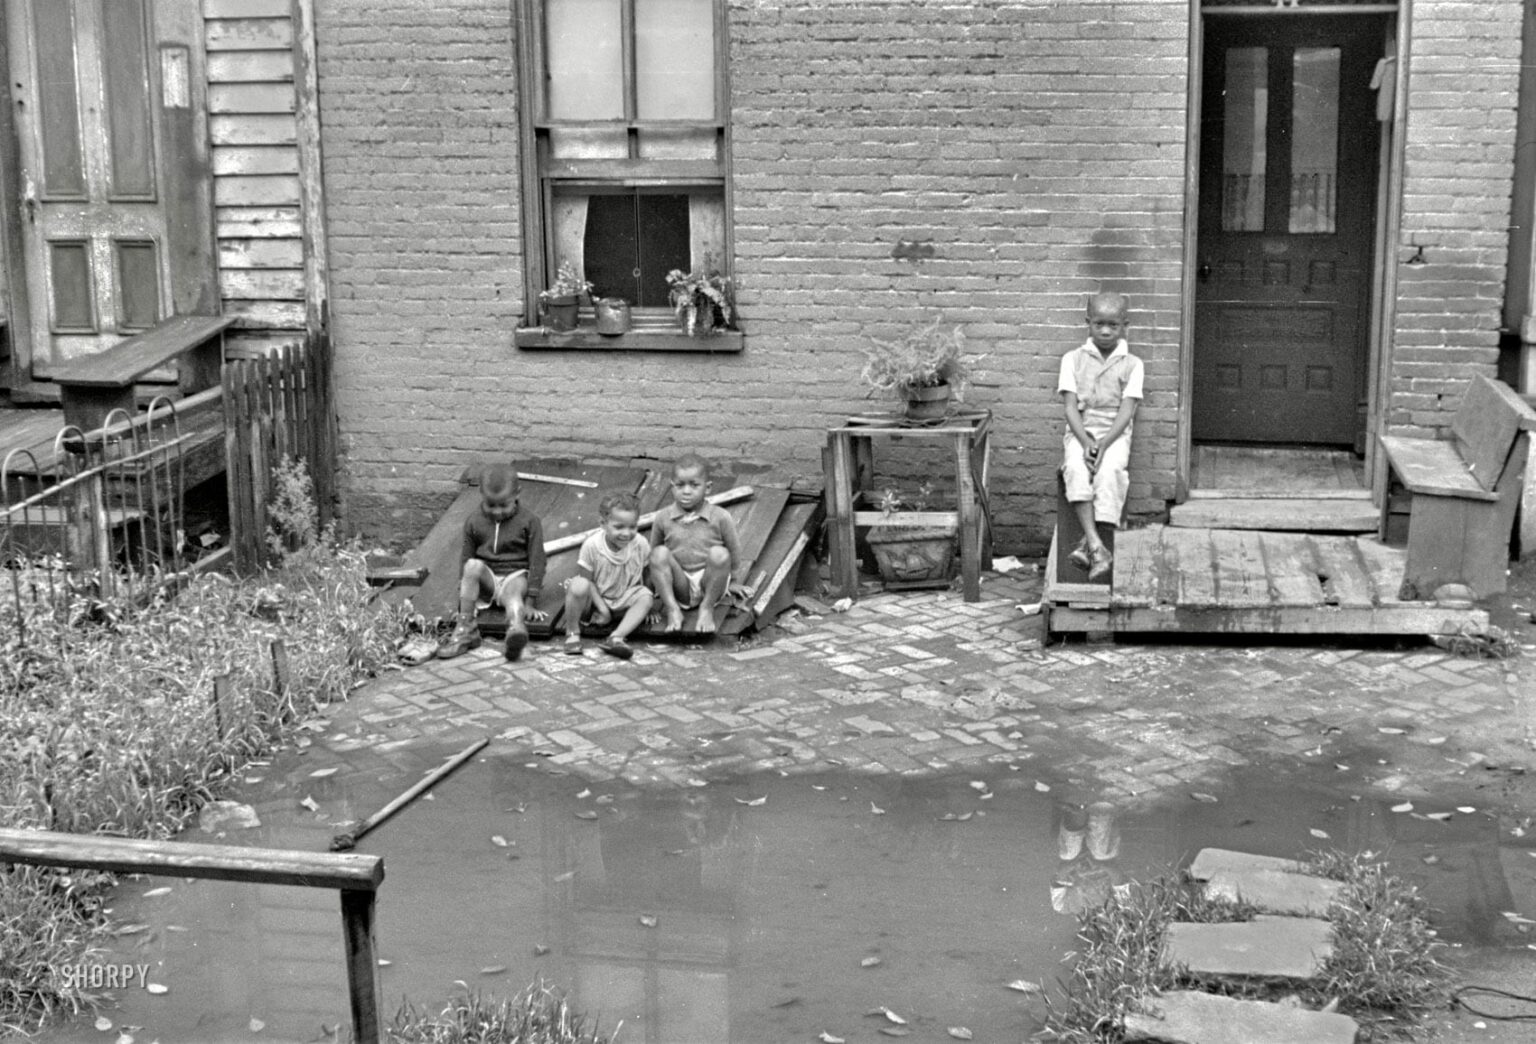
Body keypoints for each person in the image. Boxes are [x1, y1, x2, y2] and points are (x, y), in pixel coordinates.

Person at [1058, 291, 1144, 582]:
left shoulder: (1133, 364)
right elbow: (1070, 408)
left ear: (1125, 326)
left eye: (1113, 325)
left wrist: (1104, 445)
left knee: (1109, 472)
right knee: (1075, 469)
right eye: (1099, 324)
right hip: (1081, 432)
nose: (1105, 331)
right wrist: (1085, 444)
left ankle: (1088, 545)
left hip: (1114, 434)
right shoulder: (1072, 359)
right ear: (1088, 323)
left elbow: (1127, 410)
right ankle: (1097, 546)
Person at [437, 463, 547, 660]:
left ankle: (516, 631)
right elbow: (465, 557)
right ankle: (466, 629)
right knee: (472, 566)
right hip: (487, 578)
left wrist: (531, 601)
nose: (497, 511)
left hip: (514, 577)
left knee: (514, 596)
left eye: (504, 505)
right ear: (481, 494)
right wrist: (463, 604)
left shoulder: (530, 521)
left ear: (517, 494)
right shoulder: (473, 521)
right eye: (491, 505)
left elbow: (538, 560)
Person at [649, 453, 746, 634]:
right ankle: (672, 609)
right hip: (680, 584)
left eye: (694, 485)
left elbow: (734, 550)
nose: (686, 491)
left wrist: (731, 581)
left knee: (720, 553)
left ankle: (706, 609)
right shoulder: (663, 517)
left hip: (709, 582)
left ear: (707, 488)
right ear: (672, 487)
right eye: (680, 485)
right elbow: (654, 556)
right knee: (659, 553)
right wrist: (650, 593)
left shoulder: (720, 516)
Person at [564, 491, 654, 660]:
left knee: (646, 597)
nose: (626, 533)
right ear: (603, 524)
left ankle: (616, 637)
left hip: (623, 598)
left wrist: (650, 608)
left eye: (632, 527)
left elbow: (646, 573)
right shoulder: (591, 546)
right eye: (619, 527)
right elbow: (587, 581)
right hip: (595, 601)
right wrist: (603, 609)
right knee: (578, 585)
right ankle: (572, 633)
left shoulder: (640, 543)